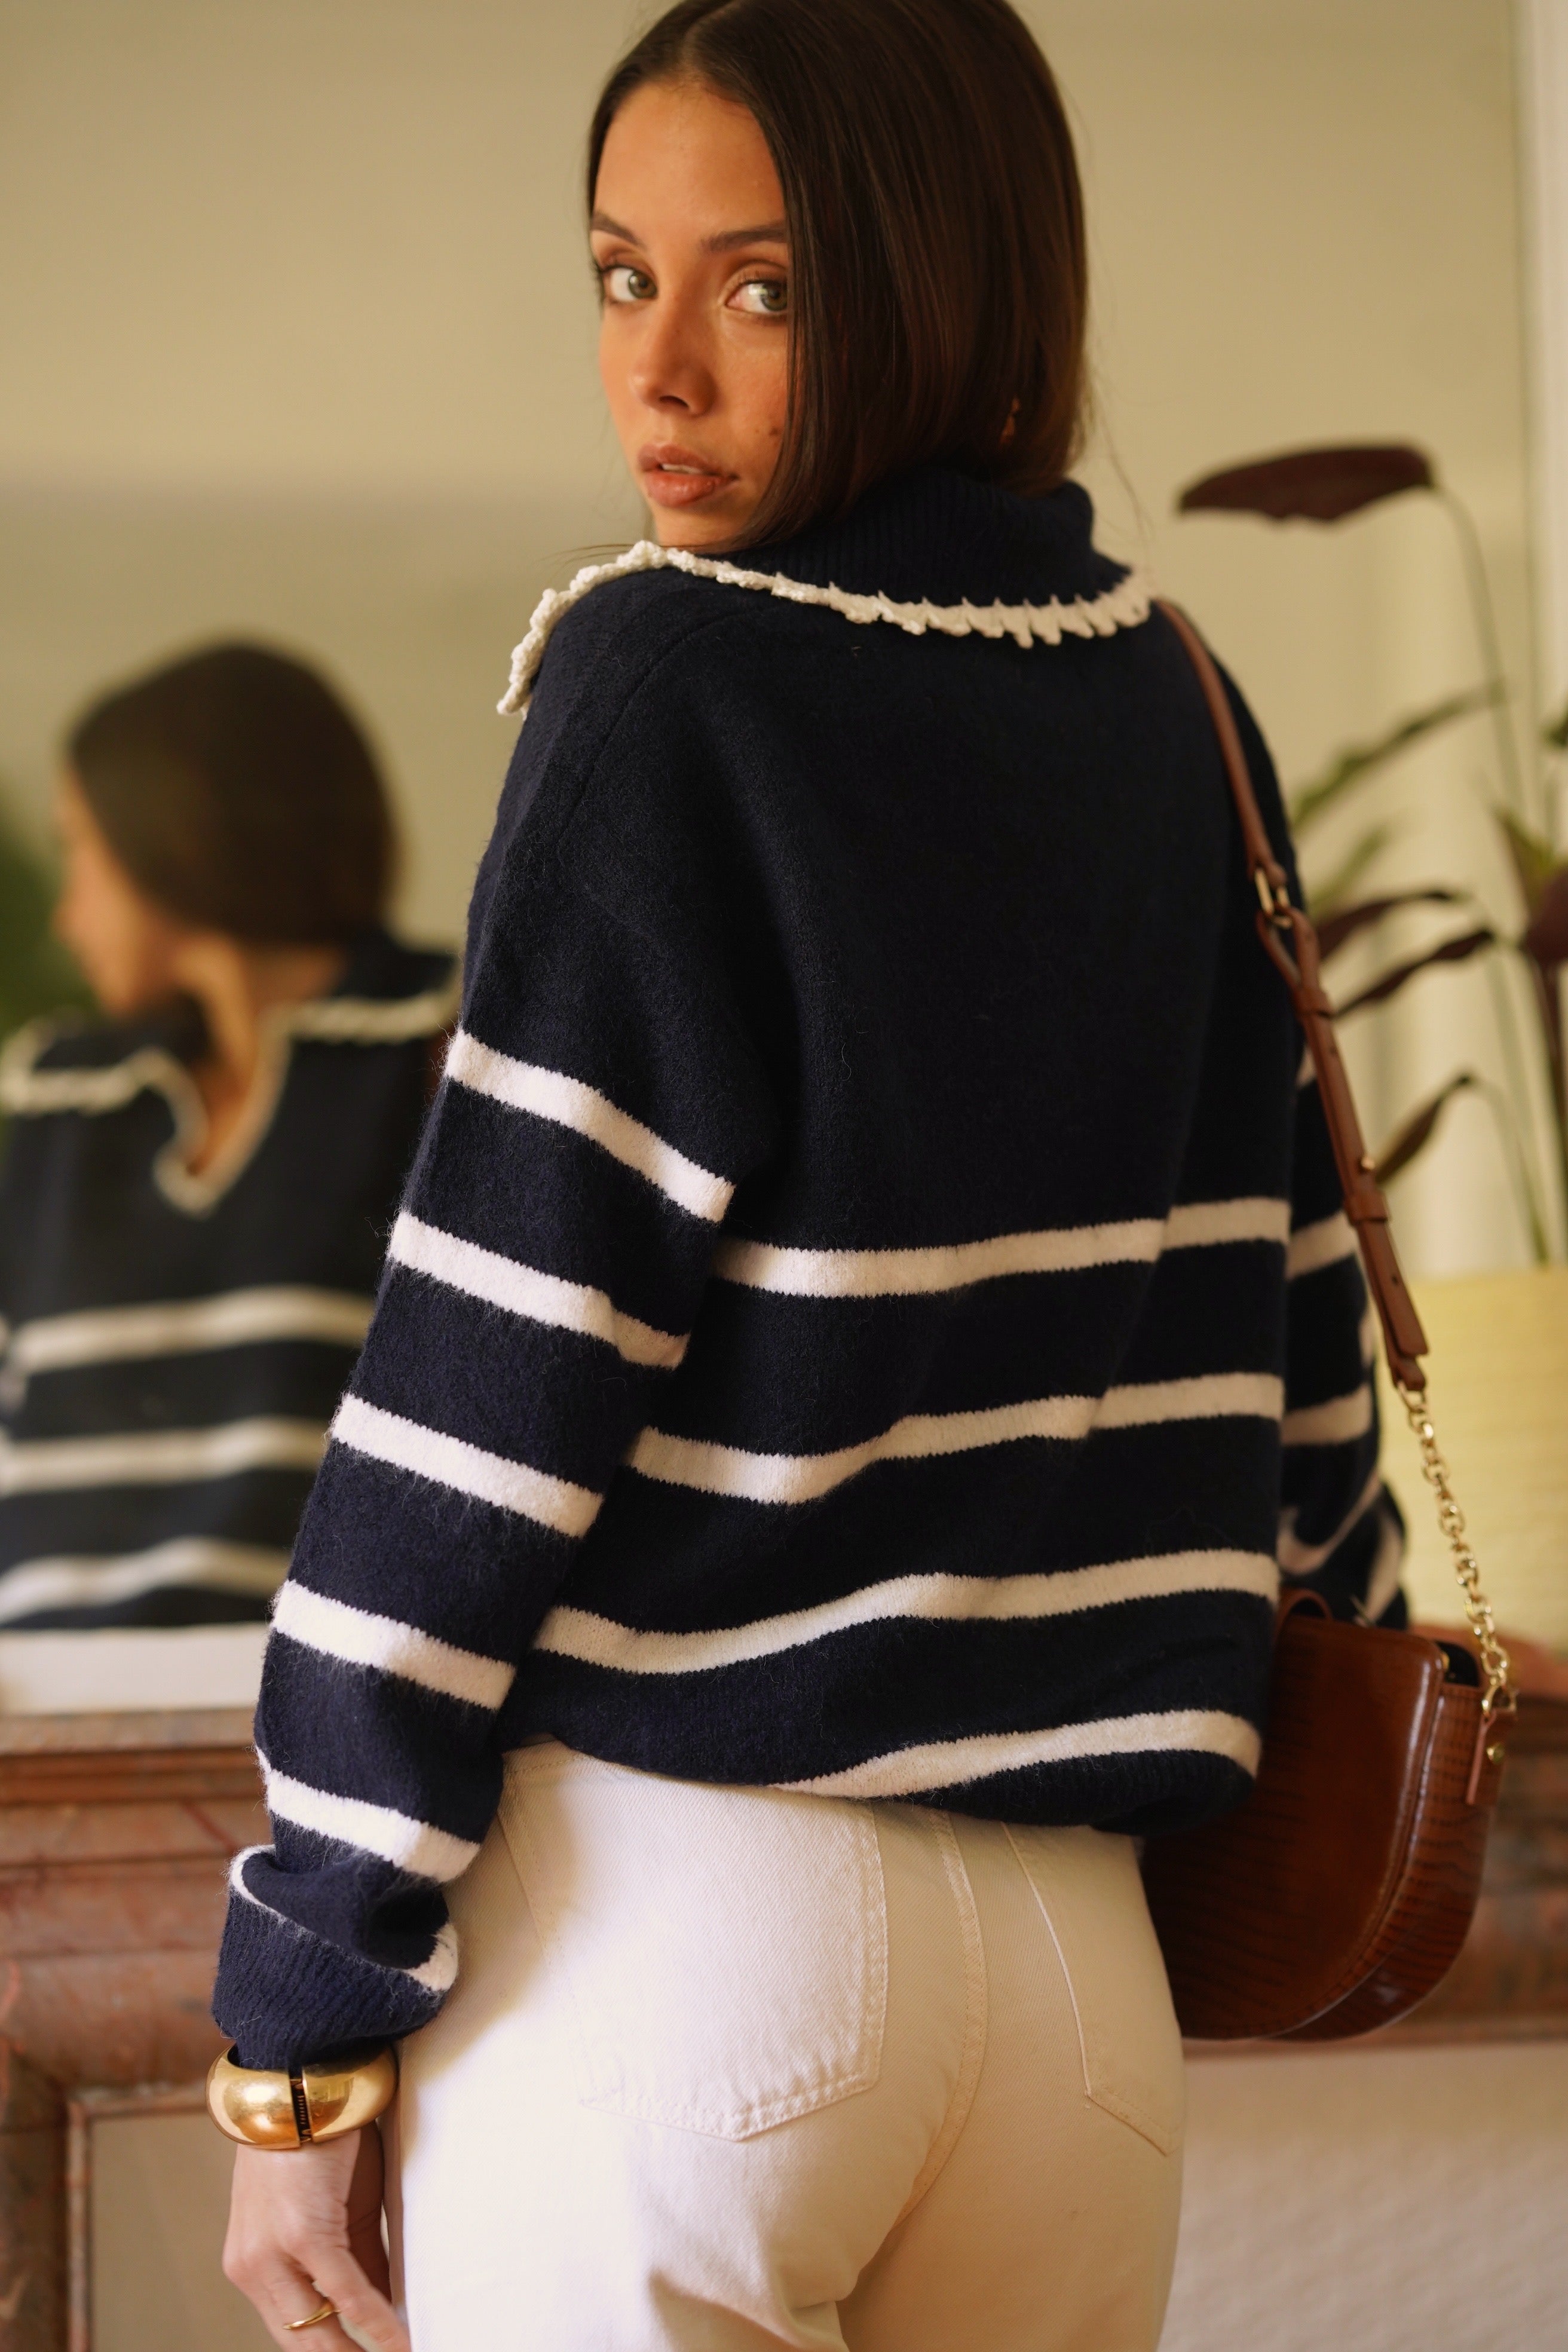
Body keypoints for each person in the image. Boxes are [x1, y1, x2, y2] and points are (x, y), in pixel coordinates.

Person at [213, 5, 1401, 2346]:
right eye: (618, 274)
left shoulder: (670, 686)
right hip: (1076, 1997)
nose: (654, 368)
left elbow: (483, 1395)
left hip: (684, 1945)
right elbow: (1303, 1374)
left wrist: (304, 1991)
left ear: (937, 284)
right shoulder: (1178, 696)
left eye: (759, 288)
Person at [0, 643, 457, 1633]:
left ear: (174, 832)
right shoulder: (62, 1101)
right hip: (43, 1692)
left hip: (316, 1689)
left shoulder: (442, 1051)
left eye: (81, 849)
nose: (68, 917)